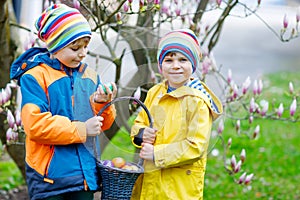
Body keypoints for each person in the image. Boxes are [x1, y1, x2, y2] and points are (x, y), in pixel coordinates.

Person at [10, 4, 117, 200]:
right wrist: (81, 129)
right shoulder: (35, 77)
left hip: (84, 177)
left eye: (86, 46)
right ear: (55, 46)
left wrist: (103, 104)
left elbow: (104, 124)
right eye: (75, 48)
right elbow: (35, 125)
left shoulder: (91, 76)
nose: (83, 53)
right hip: (50, 179)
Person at [130, 29, 223, 200]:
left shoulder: (197, 100)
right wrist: (142, 134)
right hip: (149, 181)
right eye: (169, 60)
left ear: (193, 64)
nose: (175, 66)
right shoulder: (154, 92)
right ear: (160, 65)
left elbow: (196, 146)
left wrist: (156, 154)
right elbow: (139, 122)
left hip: (178, 188)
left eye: (183, 60)